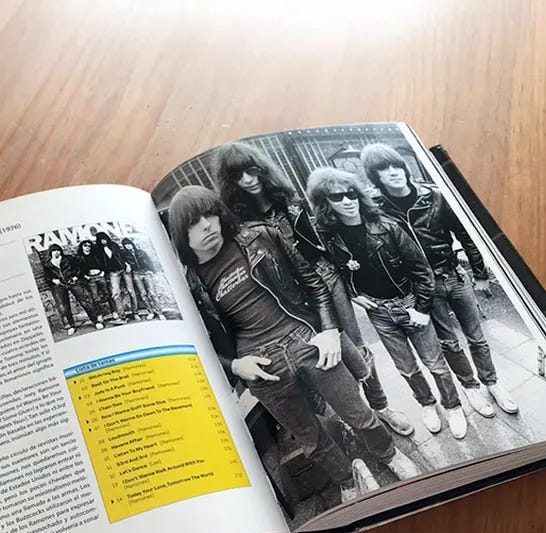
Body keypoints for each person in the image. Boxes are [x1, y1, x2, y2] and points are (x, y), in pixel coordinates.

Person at [167, 185, 420, 496]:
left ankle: (389, 455)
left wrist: (328, 330)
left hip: (305, 339)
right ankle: (347, 481)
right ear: (181, 235)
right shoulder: (190, 285)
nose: (206, 225)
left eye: (210, 215)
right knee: (310, 439)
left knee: (358, 413)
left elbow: (313, 283)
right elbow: (195, 342)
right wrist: (234, 366)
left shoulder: (260, 237)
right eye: (194, 222)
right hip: (260, 366)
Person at [210, 142, 413, 437]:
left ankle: (381, 406)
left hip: (325, 276)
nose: (248, 179)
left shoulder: (289, 199)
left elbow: (326, 241)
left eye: (251, 170)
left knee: (355, 346)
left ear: (261, 168)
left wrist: (352, 283)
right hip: (291, 294)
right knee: (317, 356)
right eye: (237, 176)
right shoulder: (240, 220)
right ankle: (352, 417)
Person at [306, 167, 469, 439]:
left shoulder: (387, 226)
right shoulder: (331, 236)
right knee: (406, 367)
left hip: (409, 302)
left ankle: (453, 406)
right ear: (326, 203)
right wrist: (355, 293)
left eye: (351, 194)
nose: (347, 201)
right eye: (337, 197)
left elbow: (421, 270)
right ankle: (427, 403)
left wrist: (421, 308)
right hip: (380, 312)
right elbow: (337, 270)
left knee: (435, 363)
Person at [361, 143, 518, 415]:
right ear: (375, 176)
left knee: (477, 337)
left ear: (404, 166)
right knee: (449, 342)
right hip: (424, 287)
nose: (393, 172)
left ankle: (491, 382)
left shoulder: (434, 197)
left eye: (396, 165)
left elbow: (466, 235)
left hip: (454, 276)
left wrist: (480, 273)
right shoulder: (377, 209)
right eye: (384, 169)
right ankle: (470, 387)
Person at [42, 243, 101, 333]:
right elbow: (47, 277)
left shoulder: (68, 259)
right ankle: (71, 326)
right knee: (65, 306)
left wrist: (76, 276)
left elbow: (80, 268)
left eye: (58, 250)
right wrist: (53, 280)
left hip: (73, 282)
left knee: (85, 301)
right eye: (54, 251)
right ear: (50, 252)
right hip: (60, 285)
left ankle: (96, 321)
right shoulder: (48, 264)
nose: (56, 252)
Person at [94, 231, 137, 321]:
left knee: (131, 291)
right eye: (101, 240)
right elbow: (99, 262)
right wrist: (103, 271)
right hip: (113, 273)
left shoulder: (114, 245)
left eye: (104, 238)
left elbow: (122, 255)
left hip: (123, 269)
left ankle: (135, 313)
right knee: (116, 293)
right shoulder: (98, 250)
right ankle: (122, 316)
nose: (103, 241)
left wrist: (127, 264)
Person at [121, 237, 163, 319]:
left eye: (129, 244)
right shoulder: (125, 255)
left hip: (146, 273)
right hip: (136, 274)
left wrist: (152, 271)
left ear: (132, 244)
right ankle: (150, 311)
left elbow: (149, 261)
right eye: (125, 245)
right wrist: (127, 264)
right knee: (143, 294)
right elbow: (121, 261)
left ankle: (159, 312)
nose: (128, 246)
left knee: (152, 293)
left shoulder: (141, 252)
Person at [74, 239, 109, 327]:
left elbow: (103, 263)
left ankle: (113, 311)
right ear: (82, 247)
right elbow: (78, 269)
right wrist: (85, 276)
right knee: (95, 297)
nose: (87, 247)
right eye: (85, 246)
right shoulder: (79, 257)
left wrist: (103, 271)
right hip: (90, 278)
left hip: (100, 275)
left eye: (89, 246)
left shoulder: (95, 255)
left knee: (107, 293)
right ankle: (100, 314)